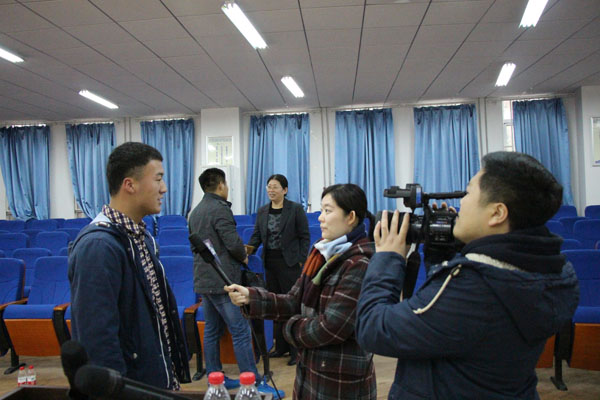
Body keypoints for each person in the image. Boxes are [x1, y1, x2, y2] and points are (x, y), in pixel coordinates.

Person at [356, 151, 580, 399]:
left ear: (497, 213)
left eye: (469, 192)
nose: (462, 202)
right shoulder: (551, 272)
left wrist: (388, 257)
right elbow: (451, 329)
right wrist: (441, 255)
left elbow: (373, 328)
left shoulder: (475, 288)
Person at [226, 184, 377, 400]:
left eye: (328, 211)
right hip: (311, 371)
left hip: (340, 380)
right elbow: (294, 300)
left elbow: (332, 327)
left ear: (350, 217)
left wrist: (290, 328)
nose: (320, 218)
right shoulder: (321, 251)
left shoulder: (360, 263)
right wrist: (251, 297)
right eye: (321, 210)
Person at [68, 142, 190, 390]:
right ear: (130, 185)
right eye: (158, 179)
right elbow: (97, 340)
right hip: (129, 388)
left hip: (153, 380)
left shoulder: (141, 238)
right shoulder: (99, 247)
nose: (164, 188)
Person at [188, 168, 281, 396]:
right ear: (221, 185)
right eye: (226, 184)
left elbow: (195, 246)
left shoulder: (195, 212)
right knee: (240, 331)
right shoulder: (220, 209)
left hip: (204, 279)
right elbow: (232, 243)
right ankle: (253, 382)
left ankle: (215, 379)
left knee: (212, 330)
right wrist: (244, 256)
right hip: (224, 281)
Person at [246, 174, 310, 366]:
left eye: (275, 187)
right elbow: (257, 236)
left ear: (285, 190)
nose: (271, 190)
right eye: (269, 187)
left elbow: (304, 236)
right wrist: (246, 252)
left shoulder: (295, 209)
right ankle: (280, 346)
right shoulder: (263, 211)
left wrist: (301, 260)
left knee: (291, 305)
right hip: (270, 263)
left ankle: (295, 350)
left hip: (290, 263)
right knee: (276, 304)